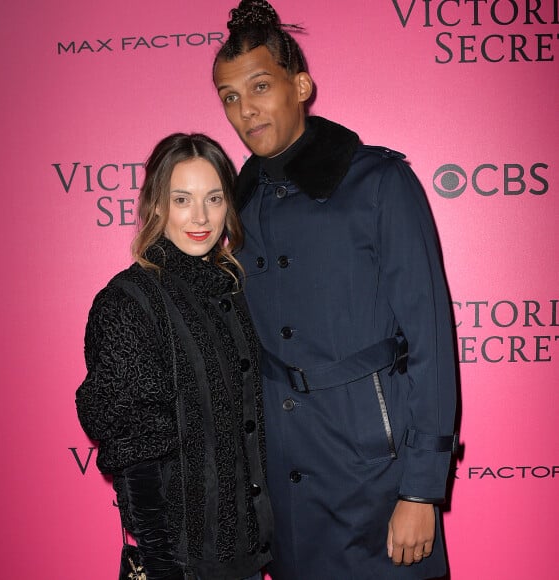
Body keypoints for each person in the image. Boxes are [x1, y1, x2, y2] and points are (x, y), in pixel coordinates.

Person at [212, 1, 458, 579]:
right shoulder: (236, 205)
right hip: (284, 482)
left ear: (300, 85)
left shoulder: (379, 182)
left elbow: (430, 340)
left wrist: (421, 491)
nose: (245, 109)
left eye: (260, 86)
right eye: (229, 96)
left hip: (377, 475)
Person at [76, 133, 273, 580]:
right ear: (156, 205)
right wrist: (163, 568)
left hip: (250, 553)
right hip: (185, 563)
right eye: (181, 199)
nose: (200, 217)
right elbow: (135, 454)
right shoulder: (130, 301)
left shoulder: (235, 291)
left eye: (214, 198)